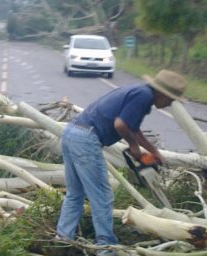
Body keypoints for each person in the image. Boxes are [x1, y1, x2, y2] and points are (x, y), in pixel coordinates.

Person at [56, 69, 187, 256]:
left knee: (75, 193)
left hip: (72, 133)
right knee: (102, 195)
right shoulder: (143, 96)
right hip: (86, 139)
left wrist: (153, 151)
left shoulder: (138, 93)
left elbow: (134, 129)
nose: (169, 104)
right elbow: (121, 125)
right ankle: (106, 248)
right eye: (171, 99)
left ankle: (62, 239)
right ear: (163, 93)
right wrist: (133, 146)